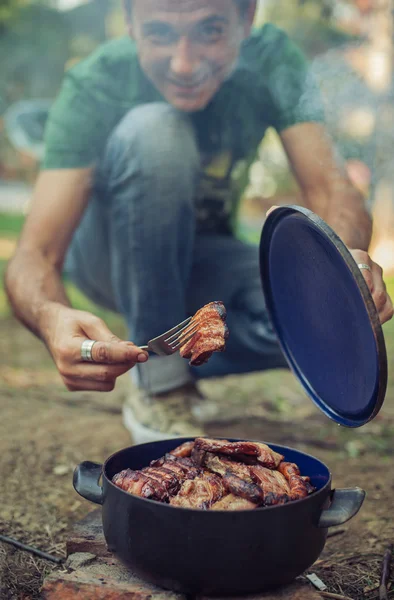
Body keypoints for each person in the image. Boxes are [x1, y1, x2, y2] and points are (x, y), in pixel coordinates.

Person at [5, 0, 393, 443]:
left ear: (246, 19)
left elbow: (333, 190)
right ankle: (162, 388)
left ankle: (159, 354)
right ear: (130, 24)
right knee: (156, 131)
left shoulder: (271, 57)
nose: (184, 64)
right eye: (160, 34)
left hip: (207, 261)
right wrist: (50, 316)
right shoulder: (96, 81)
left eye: (209, 31)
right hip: (109, 261)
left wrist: (341, 271)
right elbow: (34, 254)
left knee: (314, 307)